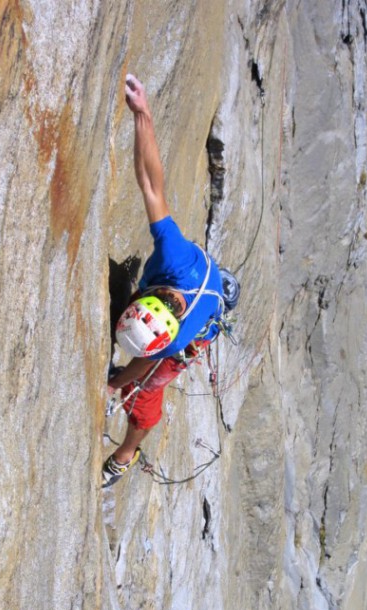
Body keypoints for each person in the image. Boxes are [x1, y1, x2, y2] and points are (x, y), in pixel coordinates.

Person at [103, 74, 239, 487]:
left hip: (204, 312)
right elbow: (150, 182)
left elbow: (144, 364)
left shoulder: (181, 338)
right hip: (196, 278)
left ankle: (126, 455)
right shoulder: (173, 255)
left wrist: (114, 387)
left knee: (145, 407)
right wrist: (143, 114)